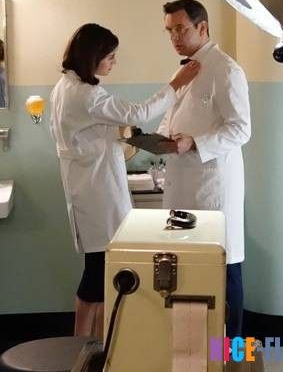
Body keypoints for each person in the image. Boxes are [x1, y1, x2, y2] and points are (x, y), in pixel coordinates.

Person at [49, 23, 200, 338]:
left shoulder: (66, 86)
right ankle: (84, 346)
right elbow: (139, 113)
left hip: (88, 187)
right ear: (93, 56)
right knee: (97, 276)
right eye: (110, 56)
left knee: (103, 273)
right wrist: (176, 84)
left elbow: (94, 130)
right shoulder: (86, 94)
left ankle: (98, 344)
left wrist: (120, 134)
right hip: (97, 192)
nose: (114, 62)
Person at [157, 0, 251, 337]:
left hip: (212, 190)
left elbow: (241, 129)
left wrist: (194, 142)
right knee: (190, 272)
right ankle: (196, 349)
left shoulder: (226, 70)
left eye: (181, 29)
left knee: (224, 271)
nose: (174, 37)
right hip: (182, 186)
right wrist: (157, 139)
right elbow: (171, 120)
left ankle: (233, 350)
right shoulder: (183, 71)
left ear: (202, 27)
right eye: (170, 31)